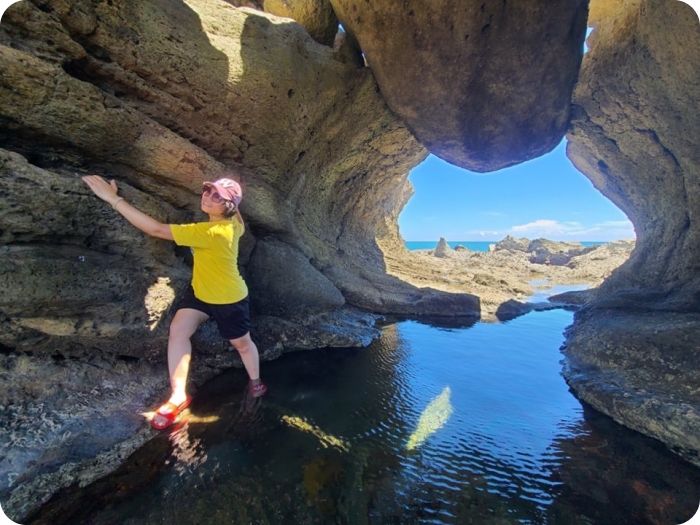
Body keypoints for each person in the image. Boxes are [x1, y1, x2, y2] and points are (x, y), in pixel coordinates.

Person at [82, 175, 267, 430]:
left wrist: (113, 199)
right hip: (201, 292)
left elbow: (157, 229)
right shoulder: (236, 225)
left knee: (241, 344)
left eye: (217, 197)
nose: (208, 197)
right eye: (207, 190)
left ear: (229, 207)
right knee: (178, 330)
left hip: (229, 299)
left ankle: (255, 381)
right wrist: (231, 199)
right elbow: (238, 215)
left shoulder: (211, 231)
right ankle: (178, 396)